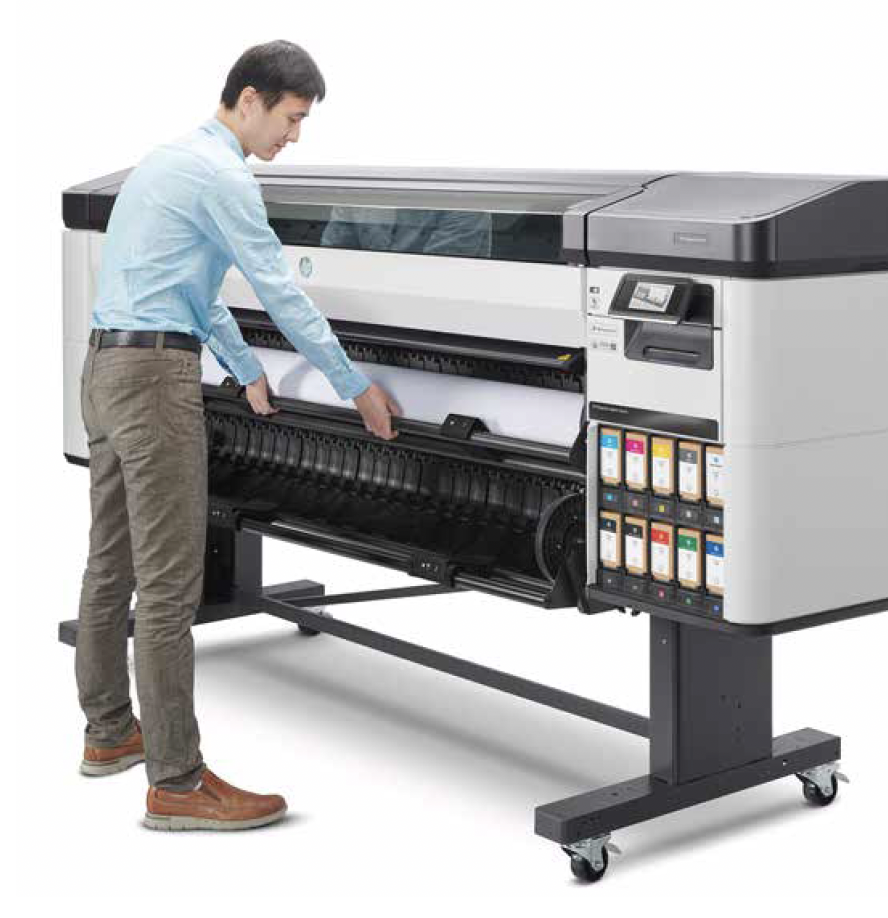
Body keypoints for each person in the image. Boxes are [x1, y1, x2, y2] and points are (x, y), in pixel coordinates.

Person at [75, 40, 399, 831]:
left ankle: (109, 733)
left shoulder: (164, 161)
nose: (295, 136)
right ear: (249, 99)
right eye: (291, 118)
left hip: (106, 368)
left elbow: (191, 289)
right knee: (169, 587)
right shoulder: (226, 177)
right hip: (155, 384)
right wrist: (354, 385)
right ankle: (178, 782)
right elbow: (280, 290)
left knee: (111, 565)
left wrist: (245, 366)